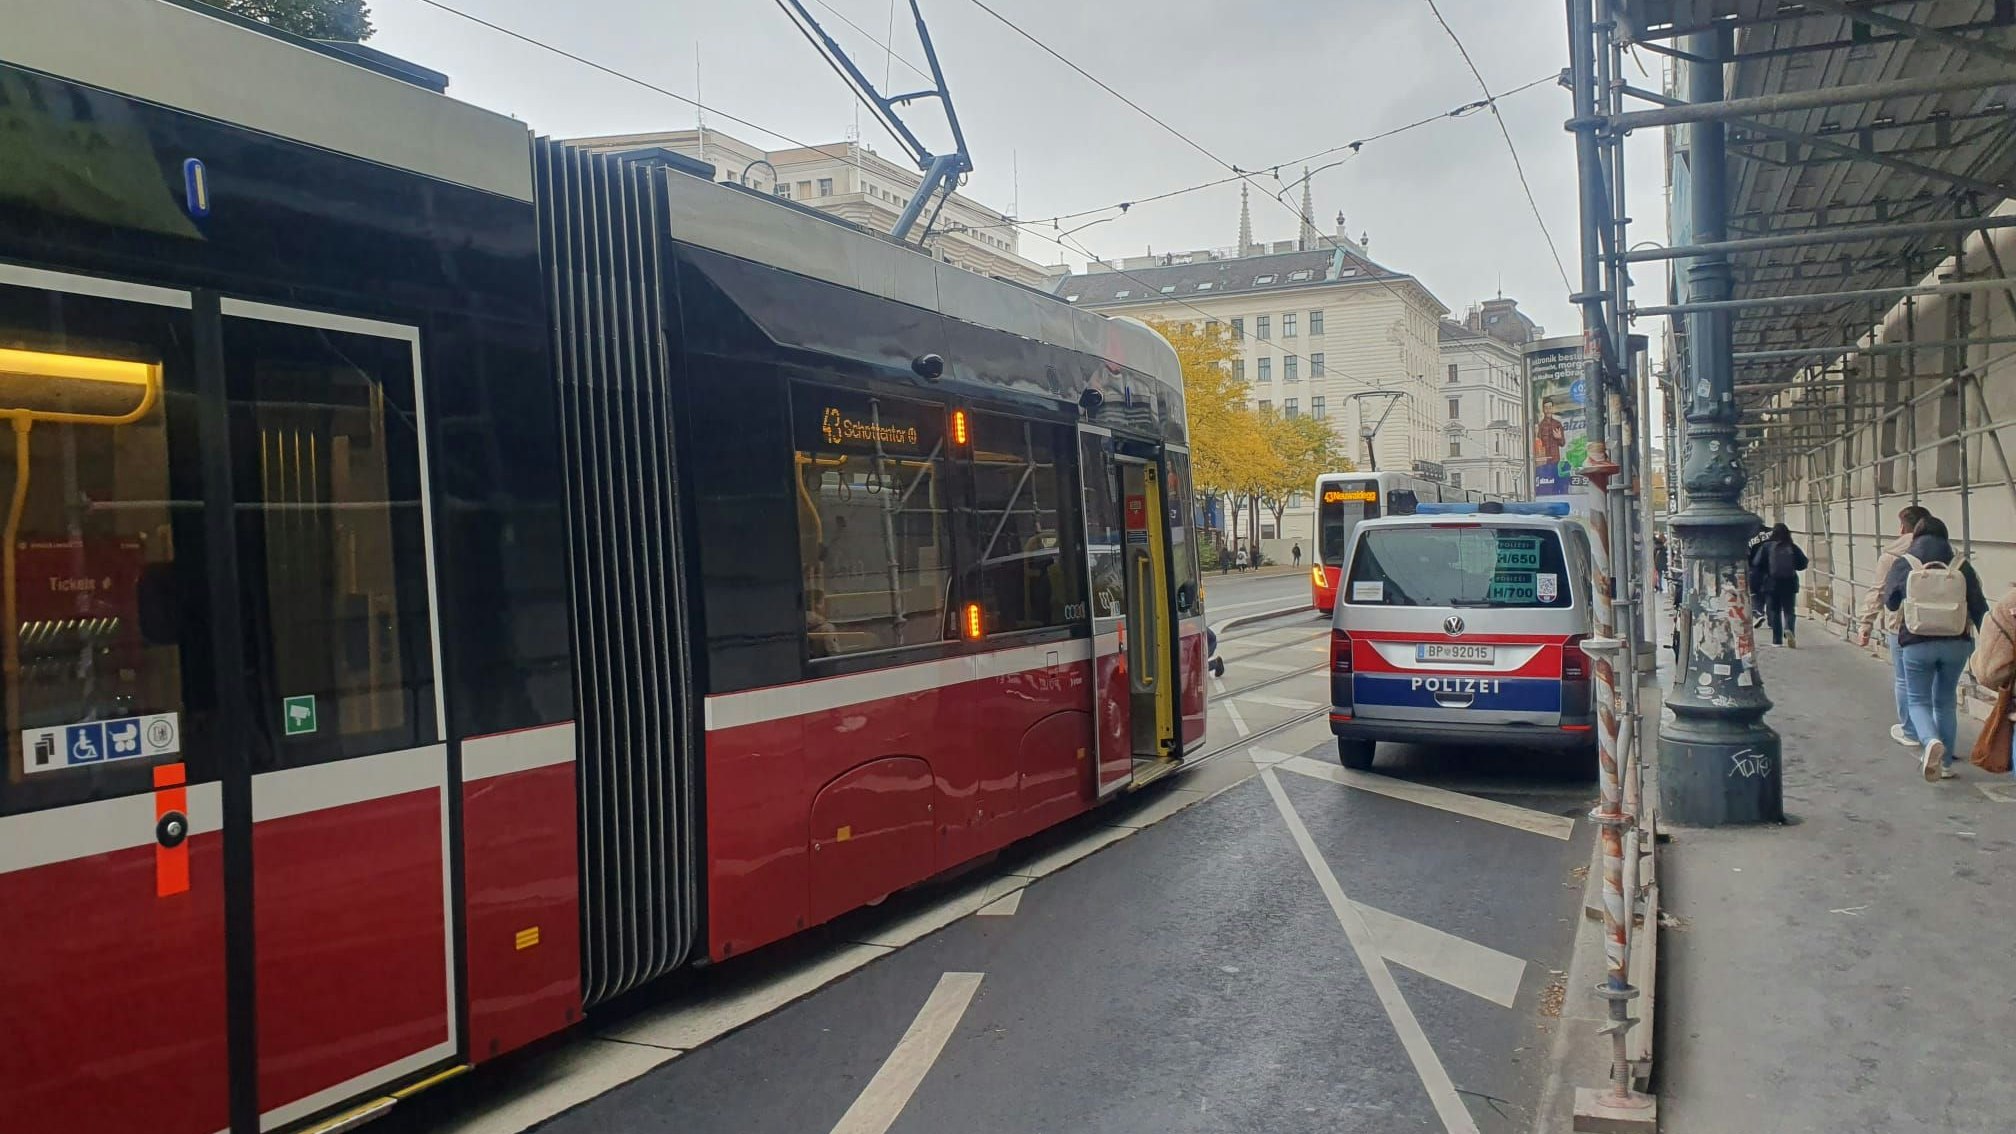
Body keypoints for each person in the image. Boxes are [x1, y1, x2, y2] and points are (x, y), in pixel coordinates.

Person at [1884, 516, 1989, 782]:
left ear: (1915, 536)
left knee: (1918, 699)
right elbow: (1979, 608)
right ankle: (1945, 764)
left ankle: (1929, 741)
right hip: (1956, 642)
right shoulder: (1961, 566)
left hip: (1917, 642)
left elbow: (1892, 602)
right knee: (1945, 701)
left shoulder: (1905, 563)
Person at [1858, 504, 1933, 750]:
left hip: (1901, 625)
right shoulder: (1945, 550)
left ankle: (1911, 730)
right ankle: (1936, 733)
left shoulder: (1892, 555)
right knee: (1935, 685)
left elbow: (1879, 591)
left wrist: (1865, 623)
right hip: (1942, 625)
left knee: (1904, 680)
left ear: (1903, 527)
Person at [1749, 524, 1809, 647]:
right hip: (1790, 583)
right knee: (1789, 610)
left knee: (1775, 611)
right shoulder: (1792, 547)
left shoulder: (1766, 547)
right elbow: (1803, 564)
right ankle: (1789, 630)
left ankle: (1777, 641)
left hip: (1771, 584)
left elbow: (1756, 563)